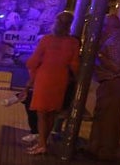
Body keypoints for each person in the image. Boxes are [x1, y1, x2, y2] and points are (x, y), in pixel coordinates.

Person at [23, 11, 80, 155]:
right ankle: (43, 142)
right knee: (52, 113)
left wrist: (30, 67)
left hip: (45, 77)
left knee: (41, 113)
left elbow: (35, 60)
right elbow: (74, 64)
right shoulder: (73, 42)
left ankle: (41, 144)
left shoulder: (46, 40)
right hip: (60, 79)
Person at [87, 14, 120, 161]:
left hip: (114, 82)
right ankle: (98, 148)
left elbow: (116, 66)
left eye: (103, 26)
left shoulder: (113, 41)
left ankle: (104, 151)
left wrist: (99, 55)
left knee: (108, 118)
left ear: (107, 26)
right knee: (110, 117)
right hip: (119, 82)